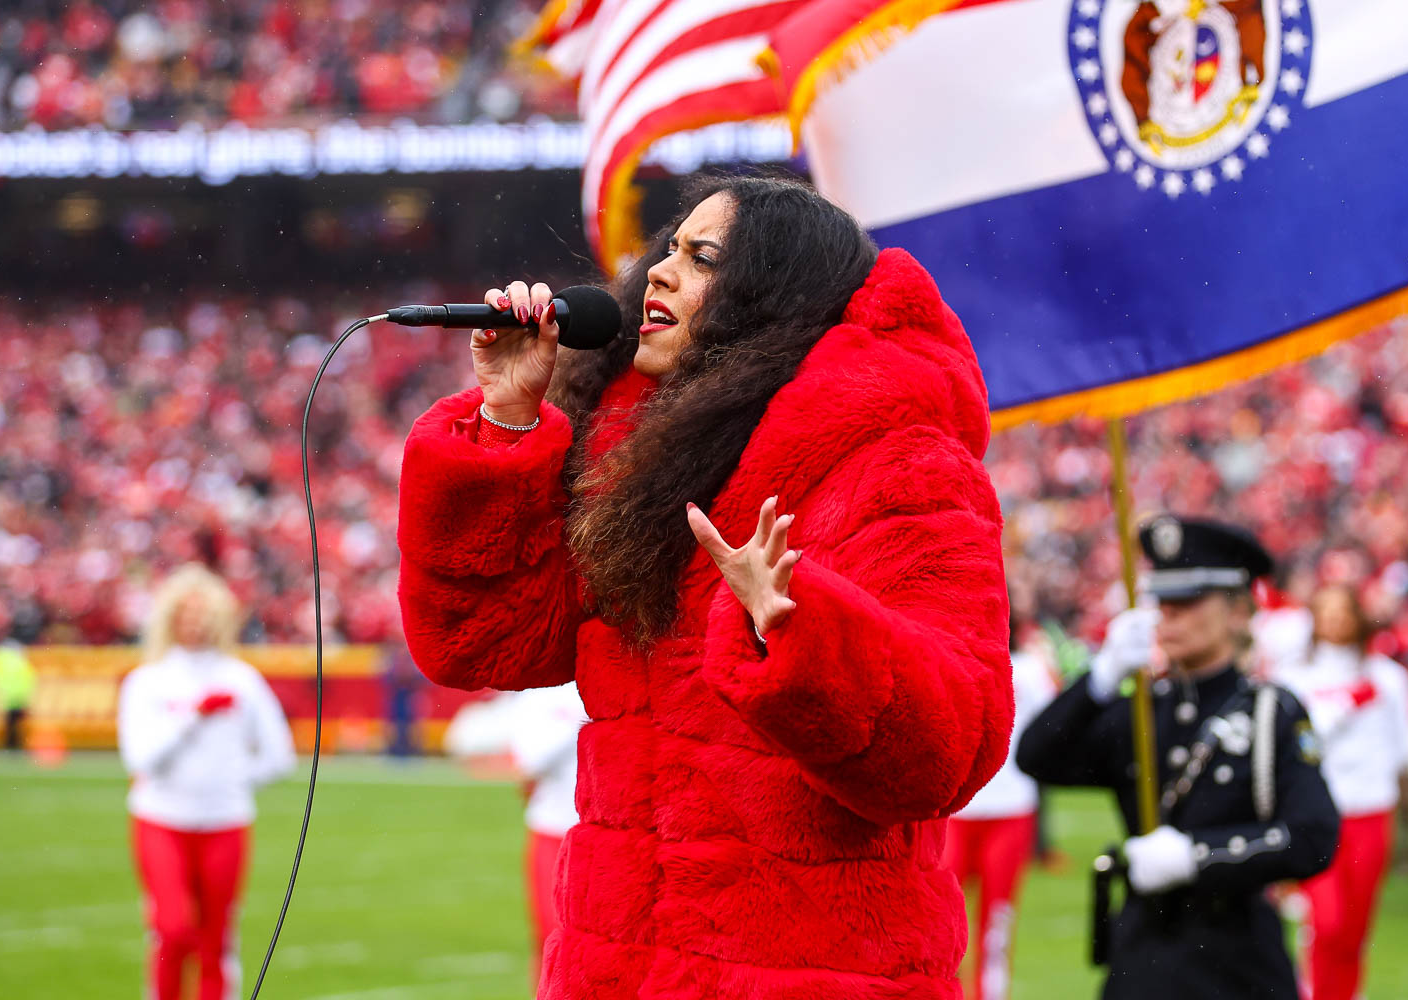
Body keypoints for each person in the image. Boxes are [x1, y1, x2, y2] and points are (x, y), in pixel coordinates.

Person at [396, 174, 1012, 999]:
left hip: (812, 971)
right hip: (616, 963)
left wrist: (798, 631)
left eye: (703, 258)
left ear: (773, 297)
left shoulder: (902, 458)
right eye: (670, 249)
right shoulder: (637, 454)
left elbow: (951, 752)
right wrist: (507, 419)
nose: (657, 270)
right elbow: (482, 644)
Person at [1017, 515, 1339, 1000]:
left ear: (1238, 611)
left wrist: (1196, 857)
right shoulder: (1143, 710)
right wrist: (1100, 677)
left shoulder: (1271, 711)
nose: (1168, 615)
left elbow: (1314, 835)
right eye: (1163, 602)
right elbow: (1037, 756)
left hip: (1238, 961)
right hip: (1143, 956)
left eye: (1188, 602)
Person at [117, 564, 296, 1000]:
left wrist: (233, 779)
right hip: (161, 820)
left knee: (216, 939)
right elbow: (139, 758)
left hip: (225, 822)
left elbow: (280, 756)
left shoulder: (242, 680)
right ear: (168, 617)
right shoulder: (147, 681)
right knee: (172, 930)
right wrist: (192, 718)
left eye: (203, 613)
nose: (195, 623)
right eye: (185, 613)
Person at [1271, 583, 1408, 999]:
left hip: (1371, 810)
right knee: (1327, 922)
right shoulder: (1293, 678)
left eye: (1342, 611)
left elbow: (1401, 744)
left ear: (1358, 616)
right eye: (1325, 611)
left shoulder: (1388, 677)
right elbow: (1295, 744)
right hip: (1317, 814)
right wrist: (1343, 706)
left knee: (1354, 930)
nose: (1334, 620)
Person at [942, 603, 1058, 1000]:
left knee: (993, 925)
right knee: (943, 919)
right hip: (960, 810)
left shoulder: (1028, 669)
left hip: (1005, 810)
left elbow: (1053, 725)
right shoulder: (961, 658)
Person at [508, 682, 588, 985]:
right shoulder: (538, 693)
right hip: (553, 830)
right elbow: (530, 761)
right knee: (551, 935)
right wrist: (583, 718)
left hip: (607, 834)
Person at [0, 637, 35, 750]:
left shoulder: (1, 659)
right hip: (18, 697)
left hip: (8, 697)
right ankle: (14, 745)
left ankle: (9, 745)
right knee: (16, 724)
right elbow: (29, 680)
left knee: (10, 723)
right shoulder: (22, 663)